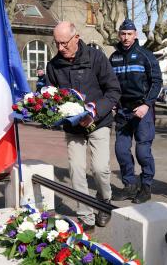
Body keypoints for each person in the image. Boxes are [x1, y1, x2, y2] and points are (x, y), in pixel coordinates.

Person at [45, 21, 121, 231]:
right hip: (73, 128)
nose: (60, 48)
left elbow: (113, 91)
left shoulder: (96, 58)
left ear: (76, 37)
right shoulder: (53, 65)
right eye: (56, 43)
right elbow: (51, 97)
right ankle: (86, 216)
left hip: (99, 122)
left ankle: (104, 203)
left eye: (64, 43)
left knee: (99, 169)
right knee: (77, 170)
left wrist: (94, 112)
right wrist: (48, 111)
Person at [110, 19, 162, 204]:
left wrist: (147, 104)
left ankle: (146, 186)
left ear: (136, 34)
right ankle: (129, 186)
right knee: (121, 150)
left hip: (142, 109)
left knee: (143, 152)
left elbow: (157, 82)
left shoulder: (145, 55)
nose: (126, 37)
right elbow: (110, 85)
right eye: (123, 34)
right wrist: (114, 104)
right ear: (119, 34)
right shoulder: (114, 57)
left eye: (129, 34)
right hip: (123, 111)